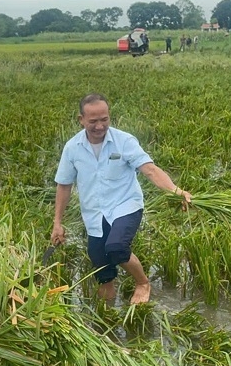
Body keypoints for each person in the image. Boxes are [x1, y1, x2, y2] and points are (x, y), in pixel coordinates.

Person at [51, 94, 191, 304]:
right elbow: (64, 185)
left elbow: (150, 170)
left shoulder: (124, 141)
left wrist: (175, 191)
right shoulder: (72, 148)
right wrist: (57, 223)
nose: (100, 126)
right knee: (101, 267)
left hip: (126, 206)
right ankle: (106, 311)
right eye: (93, 121)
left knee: (116, 248)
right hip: (94, 214)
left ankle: (143, 282)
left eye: (104, 119)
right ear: (81, 120)